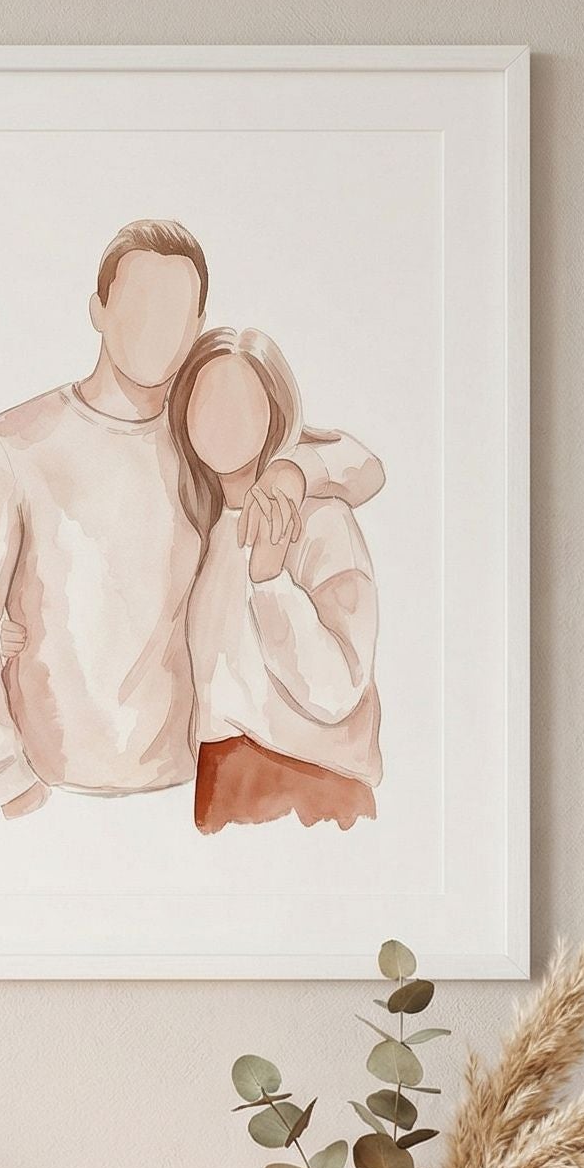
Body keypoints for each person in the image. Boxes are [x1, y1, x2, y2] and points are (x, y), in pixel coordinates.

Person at [0, 218, 384, 815]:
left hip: (195, 793)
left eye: (176, 311)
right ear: (98, 308)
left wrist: (292, 473)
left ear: (197, 325)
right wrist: (8, 781)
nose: (155, 328)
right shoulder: (14, 444)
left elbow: (360, 463)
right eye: (138, 303)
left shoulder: (209, 430)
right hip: (58, 797)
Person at [170, 327, 381, 830]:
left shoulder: (324, 521)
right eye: (207, 401)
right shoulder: (205, 527)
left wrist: (270, 583)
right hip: (219, 791)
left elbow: (335, 690)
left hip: (311, 796)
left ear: (275, 411)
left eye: (242, 401)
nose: (222, 421)